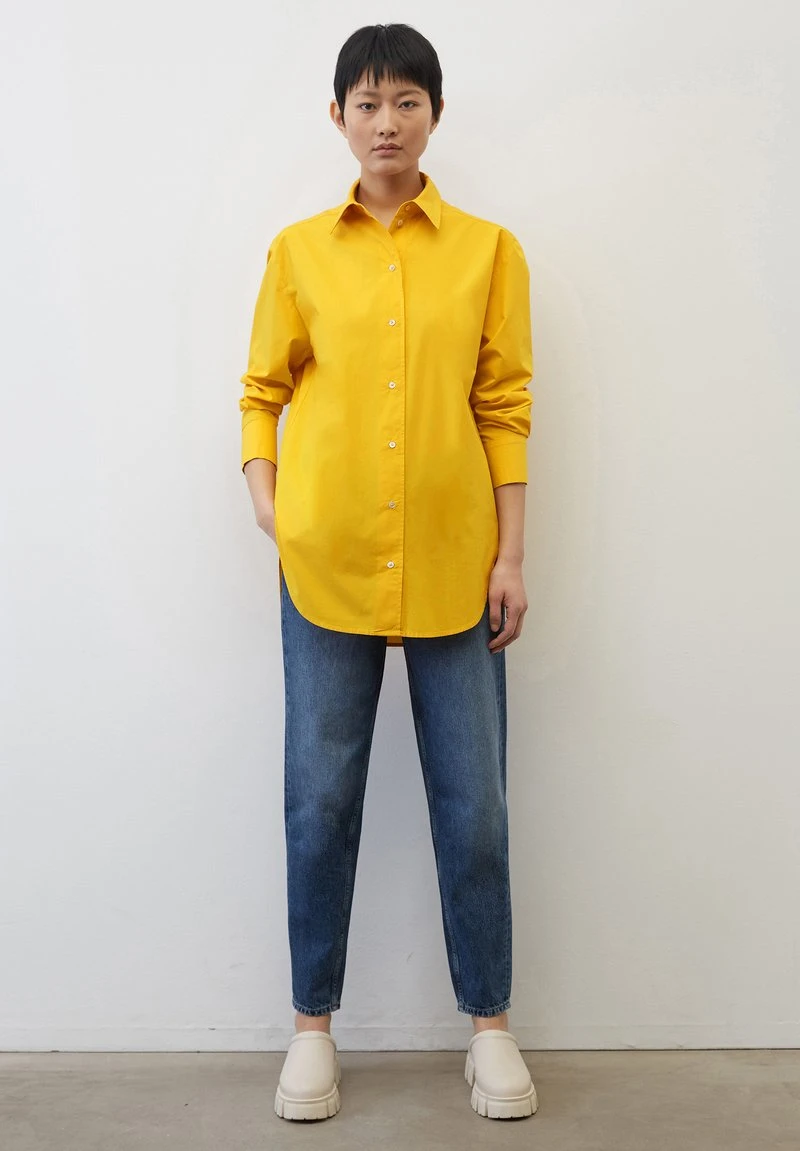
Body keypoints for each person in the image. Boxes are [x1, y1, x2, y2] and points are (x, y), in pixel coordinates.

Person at [239, 22, 537, 1122]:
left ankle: (489, 1026)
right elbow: (260, 392)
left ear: (434, 114)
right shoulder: (297, 252)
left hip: (458, 564)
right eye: (366, 103)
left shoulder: (490, 252)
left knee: (475, 805)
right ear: (337, 118)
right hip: (327, 565)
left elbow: (503, 404)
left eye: (406, 101)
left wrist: (511, 554)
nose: (386, 122)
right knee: (319, 800)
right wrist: (271, 504)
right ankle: (311, 1028)